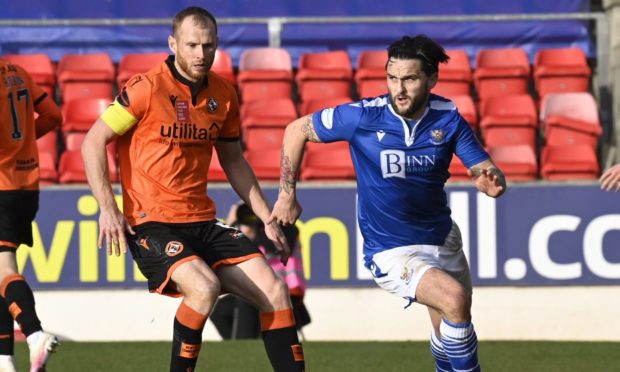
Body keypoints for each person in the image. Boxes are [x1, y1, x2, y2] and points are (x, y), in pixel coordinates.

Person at [81, 6, 304, 372]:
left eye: (209, 45)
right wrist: (108, 207)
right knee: (203, 287)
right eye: (192, 45)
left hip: (202, 221)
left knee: (276, 291)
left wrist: (265, 216)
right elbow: (93, 142)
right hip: (151, 222)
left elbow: (233, 160)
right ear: (173, 44)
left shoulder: (223, 95)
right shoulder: (145, 89)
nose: (201, 54)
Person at [269, 35, 507, 372]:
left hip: (442, 239)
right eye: (392, 78)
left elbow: (485, 168)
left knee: (452, 324)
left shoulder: (448, 117)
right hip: (391, 249)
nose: (399, 89)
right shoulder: (363, 116)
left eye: (410, 79)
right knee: (455, 300)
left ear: (432, 79)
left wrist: (492, 180)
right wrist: (286, 193)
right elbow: (297, 129)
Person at [0, 58, 62, 372]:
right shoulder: (18, 72)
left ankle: (34, 334)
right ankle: (4, 360)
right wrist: (22, 143)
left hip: (1, 185)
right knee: (0, 272)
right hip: (27, 187)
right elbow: (53, 115)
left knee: (3, 269)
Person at [210, 203, 310, 340]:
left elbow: (272, 246)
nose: (251, 219)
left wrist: (260, 226)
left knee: (245, 303)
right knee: (220, 312)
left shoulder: (285, 229)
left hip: (284, 290)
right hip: (256, 288)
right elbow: (224, 255)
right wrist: (231, 224)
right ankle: (242, 347)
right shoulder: (249, 232)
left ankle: (246, 343)